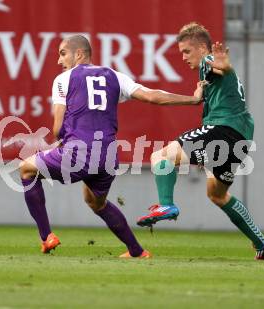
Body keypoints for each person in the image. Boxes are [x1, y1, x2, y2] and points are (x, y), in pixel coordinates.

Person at [19, 34, 203, 258]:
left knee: (26, 169)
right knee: (96, 202)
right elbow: (153, 96)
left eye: (62, 53)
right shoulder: (115, 76)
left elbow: (57, 128)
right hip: (107, 157)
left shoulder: (63, 79)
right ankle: (137, 251)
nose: (59, 61)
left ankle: (46, 237)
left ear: (79, 54)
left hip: (79, 151)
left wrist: (64, 143)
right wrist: (193, 100)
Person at [137, 22, 264, 260]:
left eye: (186, 51)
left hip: (223, 129)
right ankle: (262, 244)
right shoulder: (207, 75)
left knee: (160, 157)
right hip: (239, 137)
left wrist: (226, 68)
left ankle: (166, 205)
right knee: (217, 194)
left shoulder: (209, 61)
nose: (183, 57)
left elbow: (221, 69)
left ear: (202, 48)